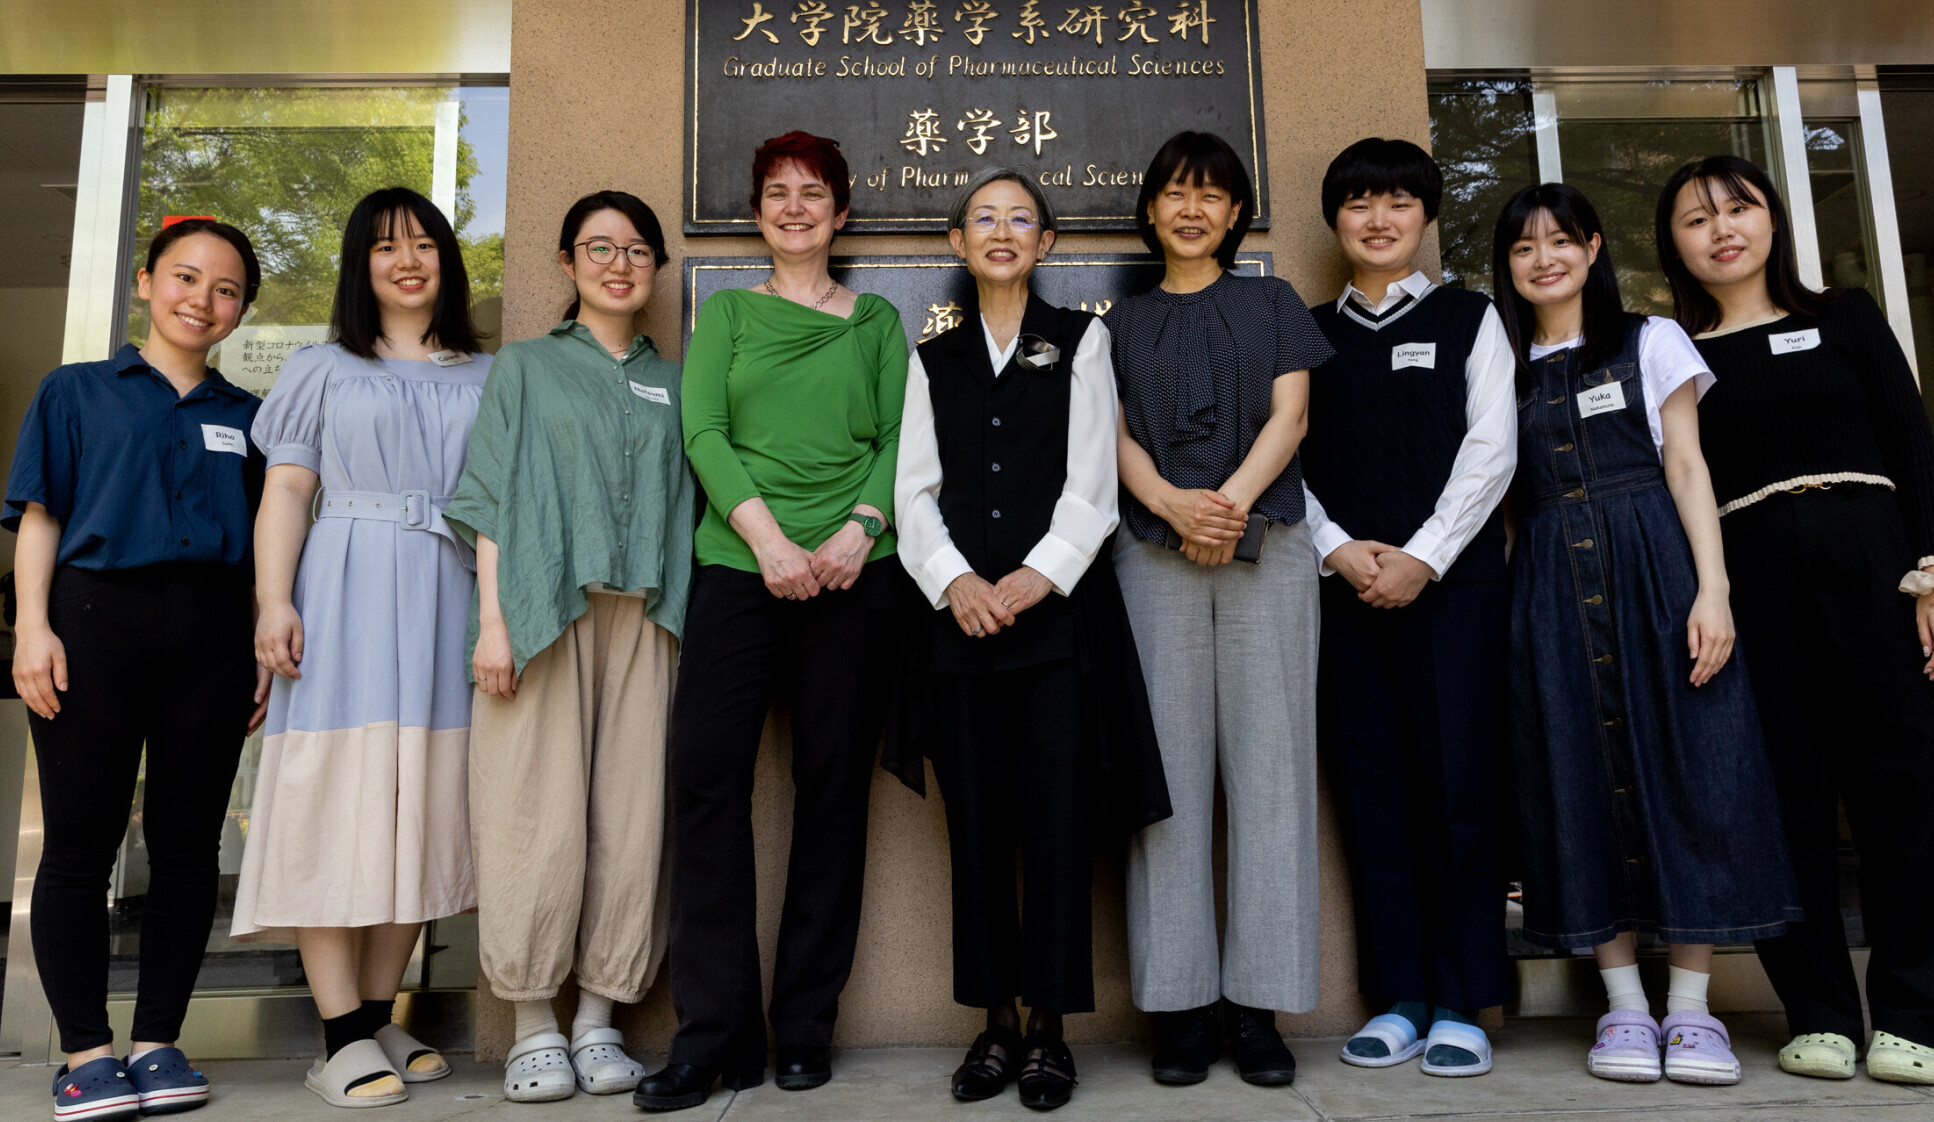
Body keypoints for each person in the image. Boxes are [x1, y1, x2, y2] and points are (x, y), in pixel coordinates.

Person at [1493, 182, 1800, 1086]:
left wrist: (1714, 590)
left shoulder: (1650, 338)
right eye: (1522, 248)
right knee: (1575, 773)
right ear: (1507, 268)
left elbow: (1687, 462)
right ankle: (1624, 1007)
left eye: (1560, 240)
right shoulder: (1502, 362)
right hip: (1550, 581)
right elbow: (1505, 502)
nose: (1543, 258)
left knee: (1694, 765)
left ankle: (1693, 1012)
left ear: (1593, 248)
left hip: (1655, 568)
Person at [884, 168, 1170, 1111]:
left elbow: (1093, 484)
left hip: (1056, 626)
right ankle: (996, 1024)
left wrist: (1034, 577)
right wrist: (956, 581)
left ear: (1046, 243)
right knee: (977, 830)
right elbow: (913, 493)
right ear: (957, 244)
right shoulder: (933, 359)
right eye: (983, 220)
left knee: (1055, 828)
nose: (1001, 232)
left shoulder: (1082, 343)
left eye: (1020, 220)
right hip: (959, 628)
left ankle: (1051, 1029)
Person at [635, 131, 908, 1113]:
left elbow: (894, 440)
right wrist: (768, 543)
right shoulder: (729, 317)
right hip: (737, 569)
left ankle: (802, 1027)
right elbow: (701, 432)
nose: (794, 208)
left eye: (813, 193)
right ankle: (714, 1036)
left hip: (854, 573)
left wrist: (852, 532)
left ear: (839, 212)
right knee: (706, 783)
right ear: (758, 212)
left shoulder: (875, 321)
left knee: (832, 792)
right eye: (776, 193)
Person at [1657, 155, 1934, 1086]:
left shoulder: (1847, 315)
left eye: (1739, 208)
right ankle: (1818, 1013)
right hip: (1757, 577)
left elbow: (1914, 445)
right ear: (1676, 245)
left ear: (1773, 220)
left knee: (1905, 790)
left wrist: (1932, 573)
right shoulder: (1678, 354)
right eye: (1698, 219)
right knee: (1788, 798)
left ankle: (1911, 1013)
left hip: (1876, 562)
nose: (1722, 229)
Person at [233, 187, 489, 1108]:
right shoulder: (322, 368)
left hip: (443, 593)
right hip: (340, 589)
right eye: (386, 248)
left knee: (418, 800)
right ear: (361, 266)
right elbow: (288, 494)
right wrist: (272, 601)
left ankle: (380, 1013)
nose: (407, 260)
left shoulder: (485, 375)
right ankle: (337, 1034)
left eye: (424, 244)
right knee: (333, 800)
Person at [7, 219, 266, 1122]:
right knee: (80, 845)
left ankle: (159, 1042)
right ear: (148, 283)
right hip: (91, 621)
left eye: (226, 289)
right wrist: (30, 627)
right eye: (187, 278)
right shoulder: (76, 392)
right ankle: (85, 1052)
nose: (203, 299)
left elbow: (268, 549)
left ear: (241, 311)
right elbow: (41, 515)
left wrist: (262, 641)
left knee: (188, 847)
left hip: (212, 634)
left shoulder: (248, 417)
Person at [444, 191, 694, 1103]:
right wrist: (495, 622)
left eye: (636, 250)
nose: (619, 263)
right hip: (543, 613)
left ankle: (598, 1019)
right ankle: (532, 1025)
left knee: (632, 823)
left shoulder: (675, 381)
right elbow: (489, 496)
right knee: (532, 820)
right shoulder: (524, 367)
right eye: (599, 247)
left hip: (649, 622)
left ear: (658, 268)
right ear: (566, 261)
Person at [1108, 130, 1332, 1088]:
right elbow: (1107, 435)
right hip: (1152, 556)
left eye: (1211, 194)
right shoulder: (1116, 324)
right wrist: (1169, 504)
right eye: (1174, 192)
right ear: (1151, 209)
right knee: (1169, 782)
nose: (1192, 208)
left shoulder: (1272, 302)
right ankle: (1182, 1006)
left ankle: (1258, 1005)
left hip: (1266, 550)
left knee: (1272, 776)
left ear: (1237, 213)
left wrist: (1228, 503)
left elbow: (1293, 415)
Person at [1299, 138, 1514, 1077]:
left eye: (1396, 203)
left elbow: (1492, 450)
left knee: (1459, 792)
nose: (1377, 219)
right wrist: (1339, 551)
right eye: (1358, 203)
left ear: (1424, 216)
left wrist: (1422, 558)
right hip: (1342, 597)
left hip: (1452, 593)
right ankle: (1400, 998)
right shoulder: (1304, 334)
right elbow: (1284, 455)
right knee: (1372, 793)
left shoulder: (1475, 318)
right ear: (1336, 219)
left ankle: (1463, 999)